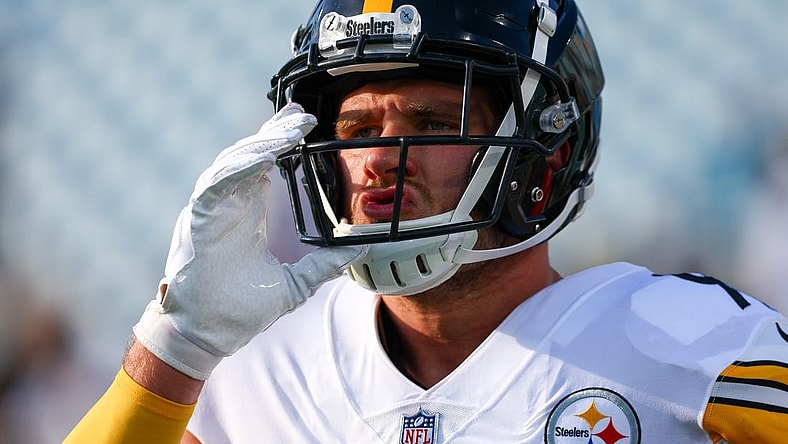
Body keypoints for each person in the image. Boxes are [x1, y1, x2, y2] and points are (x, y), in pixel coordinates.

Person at [66, 0, 788, 442]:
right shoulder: (259, 376)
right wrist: (177, 348)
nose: (379, 160)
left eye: (432, 122)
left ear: (549, 155)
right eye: (357, 129)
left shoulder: (689, 345)